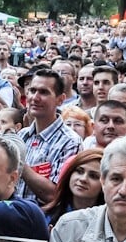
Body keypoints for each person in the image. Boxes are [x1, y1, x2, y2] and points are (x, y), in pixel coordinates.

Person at [16, 68, 81, 205]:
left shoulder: (70, 141)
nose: (35, 97)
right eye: (32, 91)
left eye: (44, 92)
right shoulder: (22, 135)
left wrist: (18, 162)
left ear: (60, 100)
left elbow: (54, 195)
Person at [41, 148, 105, 228]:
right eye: (79, 171)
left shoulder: (108, 222)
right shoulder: (44, 216)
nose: (83, 179)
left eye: (93, 176)